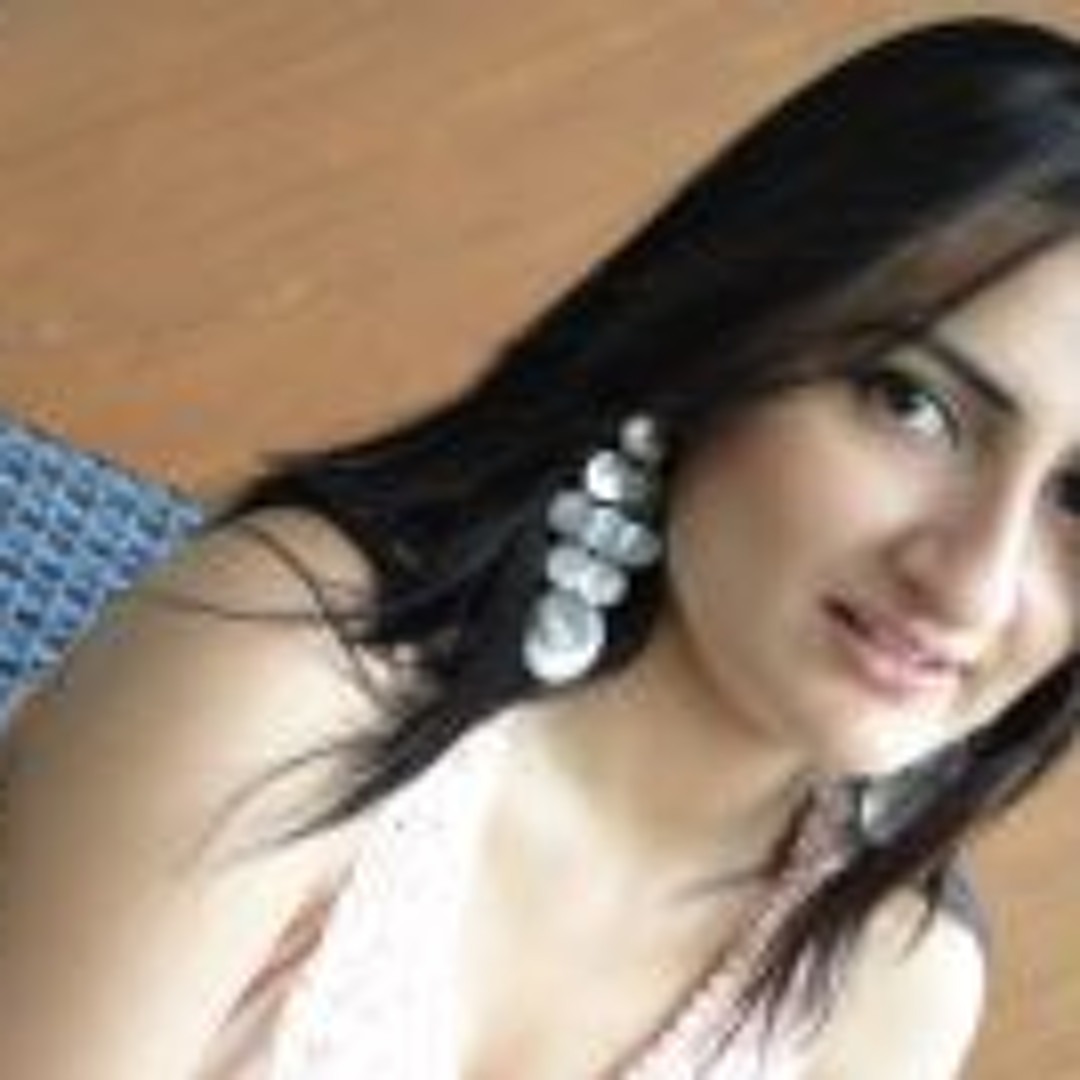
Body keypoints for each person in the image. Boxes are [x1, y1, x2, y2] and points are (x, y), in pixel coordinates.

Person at [2, 14, 1079, 1079]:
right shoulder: (285, 676)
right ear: (723, 331)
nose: (973, 585)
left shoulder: (891, 994)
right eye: (912, 405)